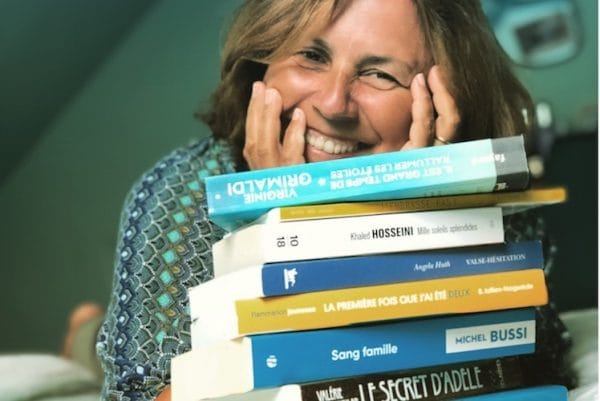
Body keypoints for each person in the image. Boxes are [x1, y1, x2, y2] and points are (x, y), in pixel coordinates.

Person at [95, 1, 573, 400]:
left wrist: (423, 210)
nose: (333, 103)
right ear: (261, 62)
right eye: (311, 56)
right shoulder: (183, 188)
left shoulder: (484, 193)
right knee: (90, 342)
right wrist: (275, 223)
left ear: (447, 96)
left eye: (379, 74)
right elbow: (144, 391)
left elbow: (537, 358)